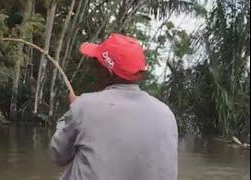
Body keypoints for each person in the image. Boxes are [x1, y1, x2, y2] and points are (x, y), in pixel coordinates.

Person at [49, 33, 178, 180]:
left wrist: (72, 110)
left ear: (106, 72)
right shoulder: (166, 114)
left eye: (97, 65)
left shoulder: (84, 106)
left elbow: (58, 155)